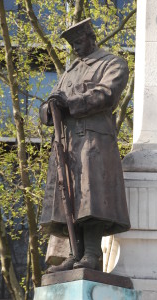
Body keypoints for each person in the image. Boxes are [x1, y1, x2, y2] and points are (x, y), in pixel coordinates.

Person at [39, 18, 131, 273]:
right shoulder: (70, 71)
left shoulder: (112, 63)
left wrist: (70, 103)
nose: (77, 48)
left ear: (91, 37)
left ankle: (91, 253)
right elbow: (48, 106)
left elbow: (106, 94)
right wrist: (49, 107)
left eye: (79, 41)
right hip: (66, 145)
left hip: (94, 142)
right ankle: (74, 253)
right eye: (73, 44)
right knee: (69, 199)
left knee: (93, 199)